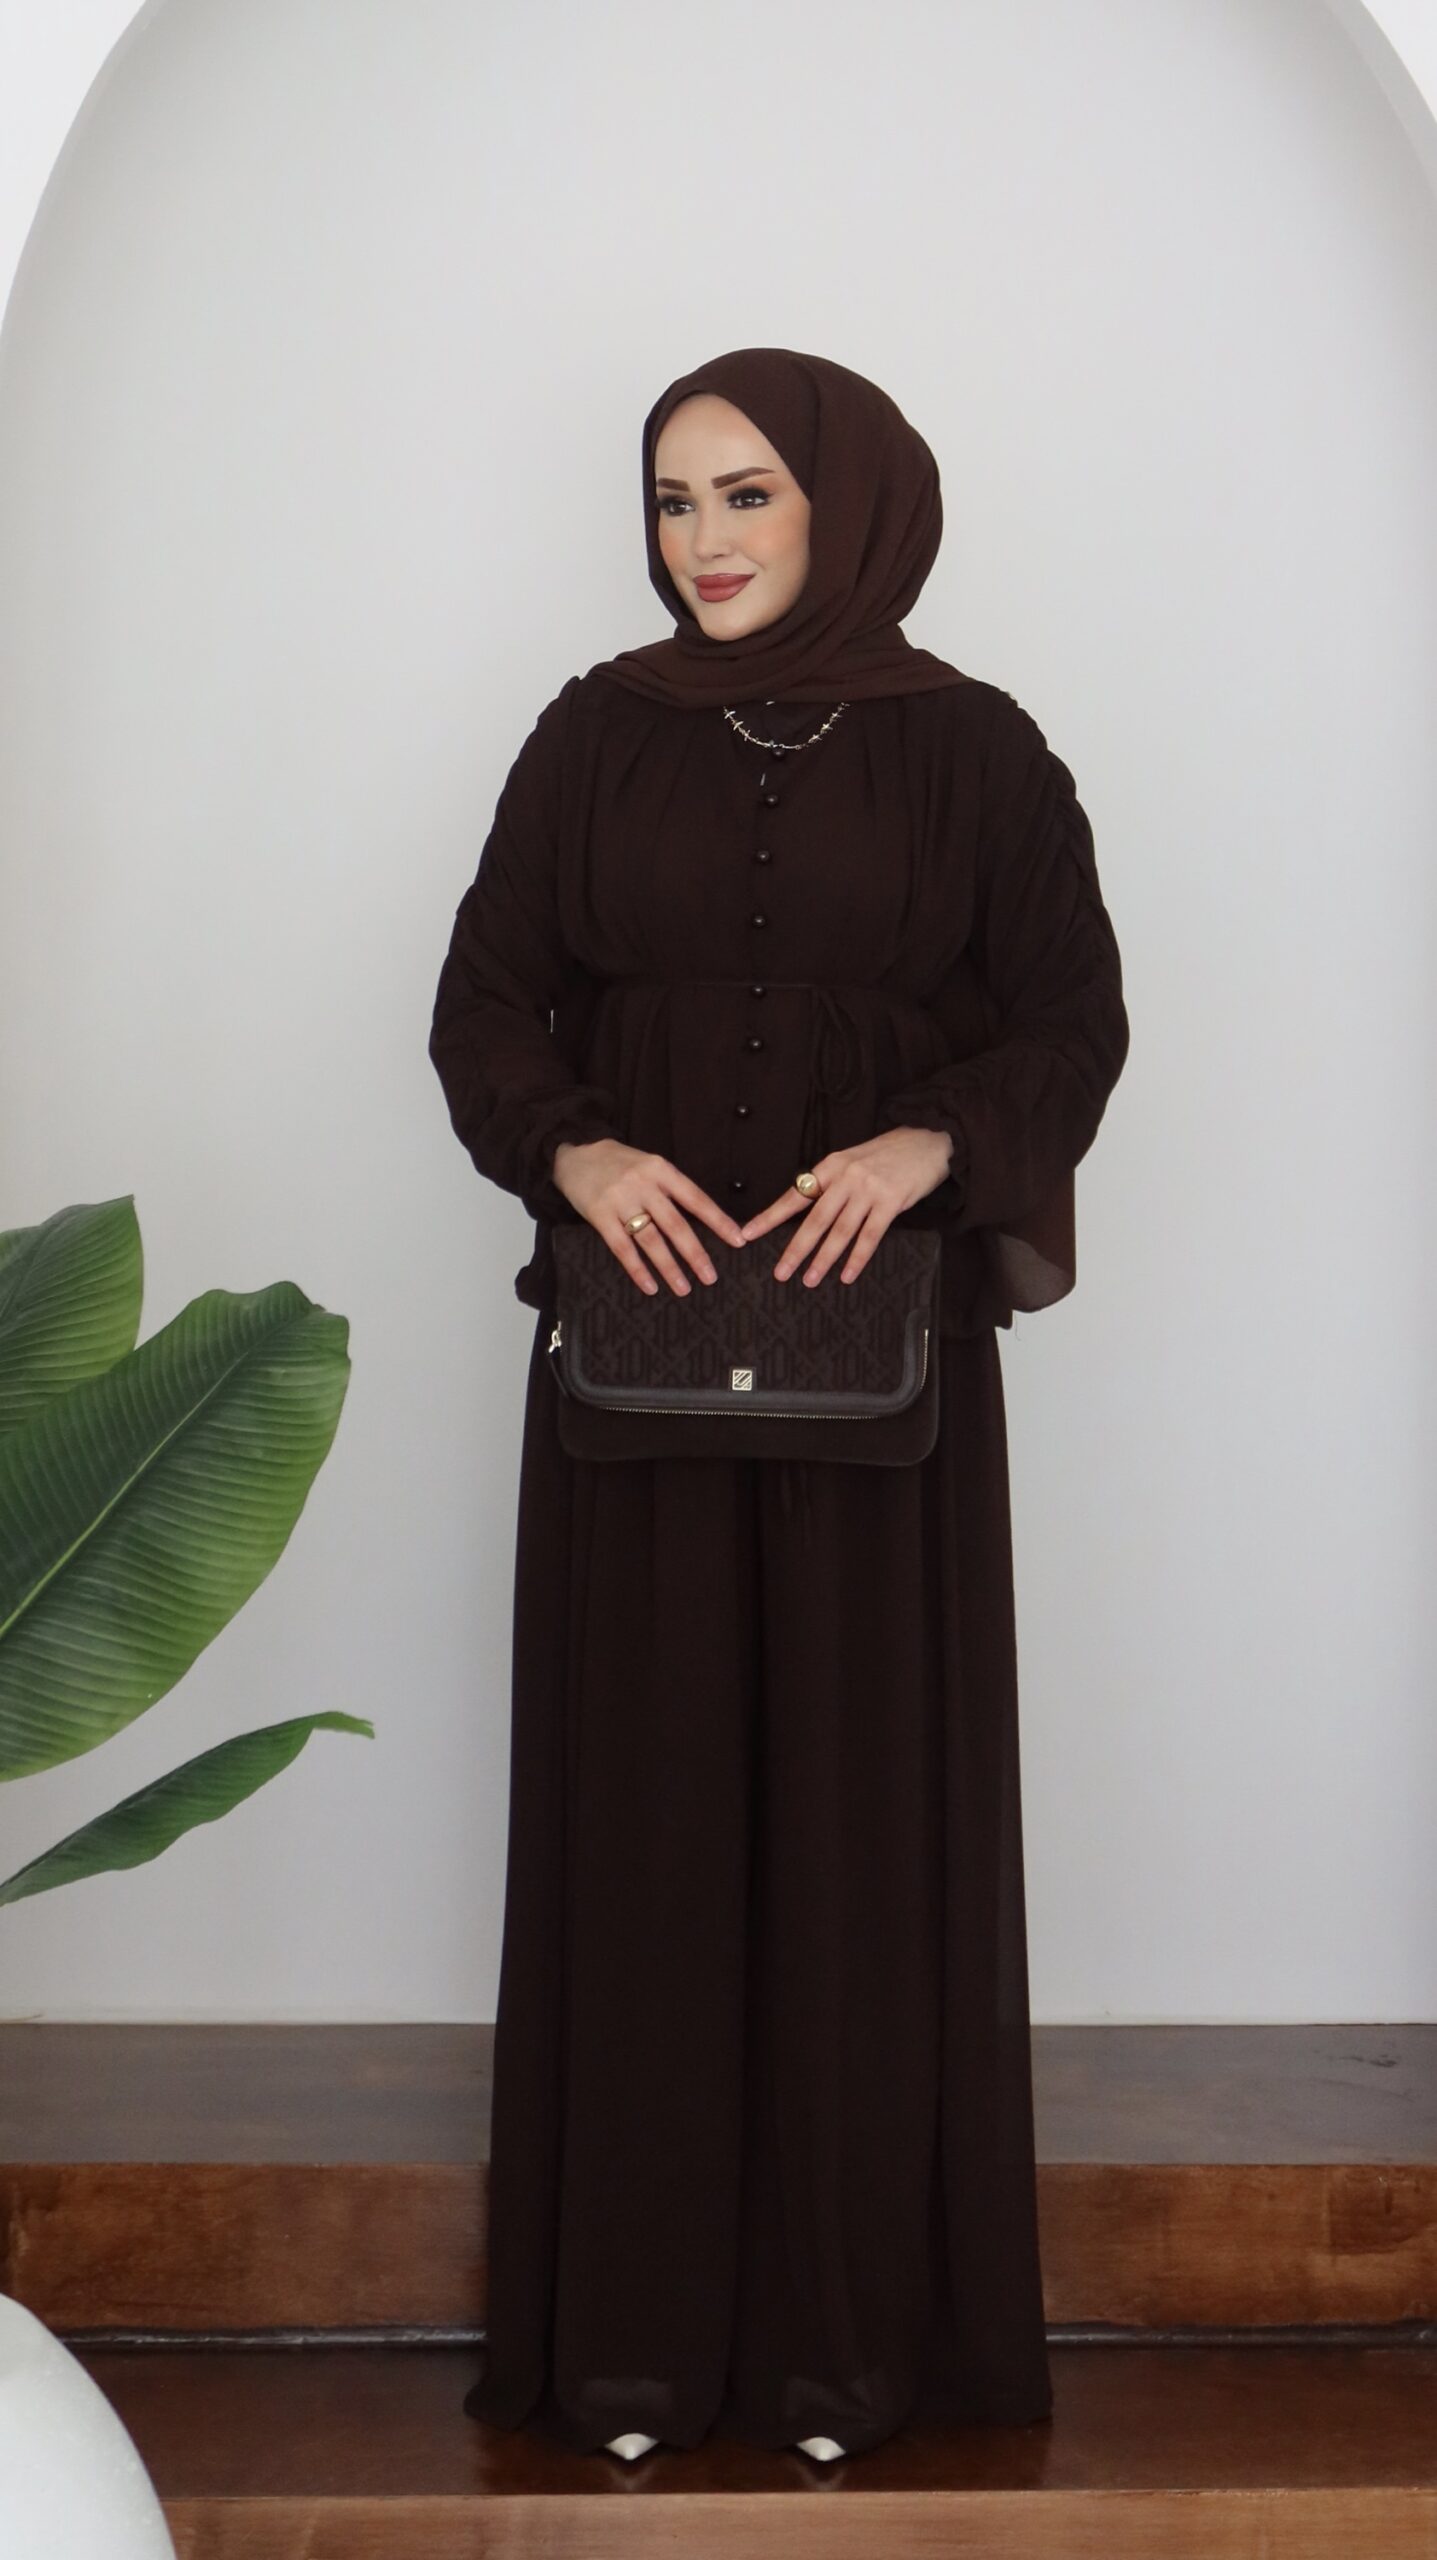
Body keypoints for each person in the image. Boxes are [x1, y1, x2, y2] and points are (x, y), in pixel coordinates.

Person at [427, 345, 1129, 2463]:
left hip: (873, 1376)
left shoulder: (976, 751)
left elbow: (1070, 1019)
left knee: (856, 1849)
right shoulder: (591, 735)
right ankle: (630, 2349)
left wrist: (931, 1142)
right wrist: (572, 1148)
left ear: (846, 499)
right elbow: (482, 999)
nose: (702, 540)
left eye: (745, 493)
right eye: (672, 499)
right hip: (632, 1362)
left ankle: (845, 2350)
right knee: (640, 1836)